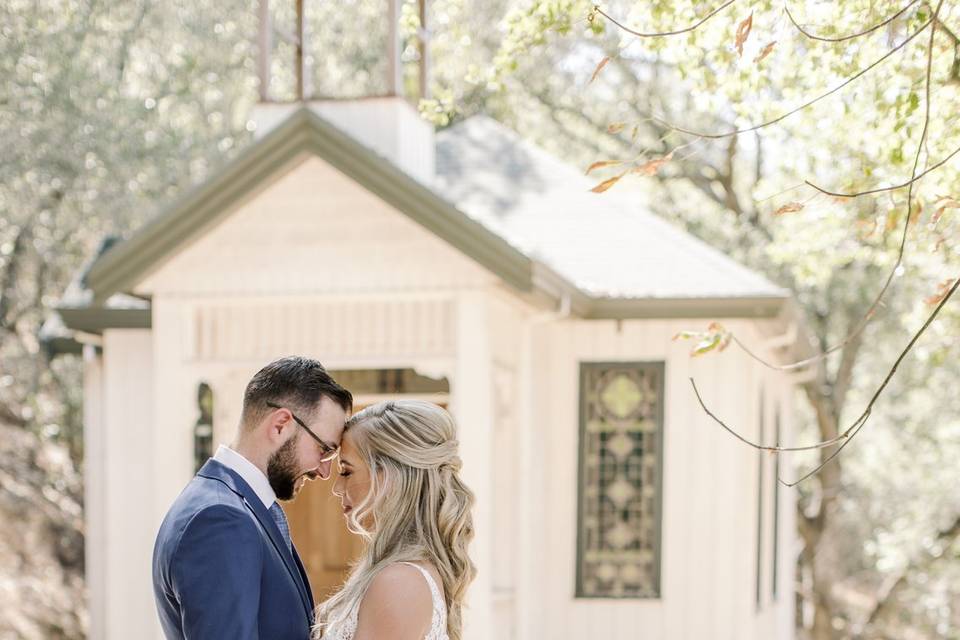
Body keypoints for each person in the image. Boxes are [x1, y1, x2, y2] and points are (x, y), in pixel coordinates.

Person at [153, 356, 352, 640]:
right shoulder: (220, 519)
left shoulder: (225, 504)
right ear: (281, 424)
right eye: (324, 450)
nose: (324, 471)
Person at [314, 400, 476, 640]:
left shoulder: (399, 582)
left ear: (391, 476)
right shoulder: (405, 574)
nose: (337, 488)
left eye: (347, 471)